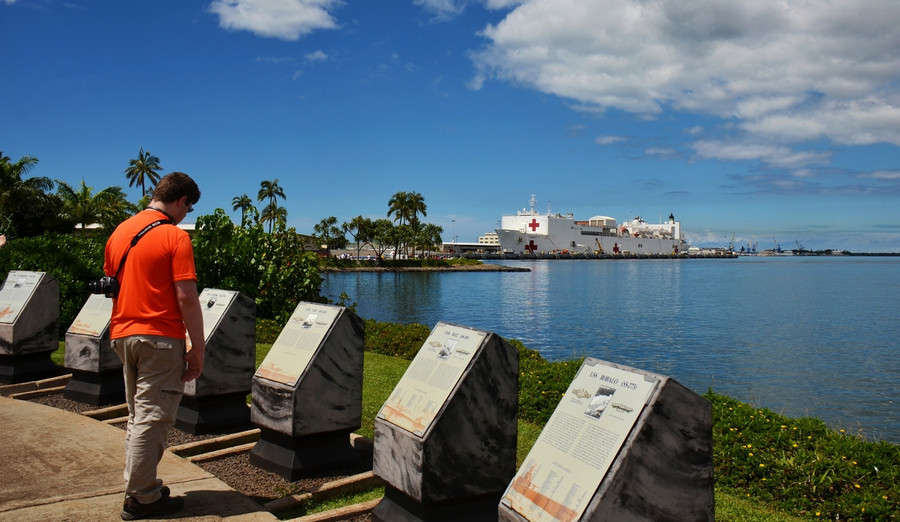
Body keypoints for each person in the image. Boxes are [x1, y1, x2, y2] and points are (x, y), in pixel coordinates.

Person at [105, 172, 206, 520]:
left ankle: (142, 485)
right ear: (181, 201)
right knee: (154, 416)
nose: (185, 215)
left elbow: (114, 286)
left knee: (138, 415)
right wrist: (198, 347)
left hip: (123, 334)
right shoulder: (173, 237)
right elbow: (186, 297)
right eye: (188, 208)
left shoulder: (120, 232)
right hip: (159, 338)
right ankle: (142, 497)